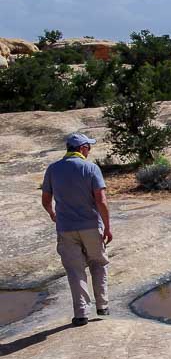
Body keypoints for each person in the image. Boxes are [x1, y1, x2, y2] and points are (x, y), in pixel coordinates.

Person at [41, 133, 112, 326]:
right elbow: (101, 201)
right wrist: (107, 227)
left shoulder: (53, 169)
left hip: (66, 228)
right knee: (98, 263)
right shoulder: (91, 168)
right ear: (82, 148)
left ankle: (81, 314)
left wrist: (53, 214)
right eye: (89, 147)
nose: (89, 150)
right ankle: (103, 306)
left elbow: (46, 199)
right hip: (90, 225)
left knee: (75, 270)